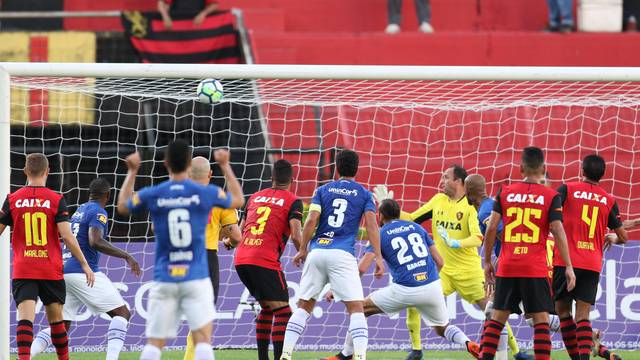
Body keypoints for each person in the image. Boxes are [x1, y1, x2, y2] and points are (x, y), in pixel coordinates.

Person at [116, 140, 244, 360]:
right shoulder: (206, 193)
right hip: (198, 271)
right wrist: (225, 165)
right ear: (188, 166)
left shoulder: (156, 193)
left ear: (165, 164)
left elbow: (123, 206)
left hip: (166, 274)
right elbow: (239, 200)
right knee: (203, 337)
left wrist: (132, 171)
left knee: (155, 344)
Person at [324, 199, 479, 360]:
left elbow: (362, 268)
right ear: (399, 214)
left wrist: (336, 288)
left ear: (380, 216)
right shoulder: (417, 228)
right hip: (432, 286)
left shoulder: (380, 234)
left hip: (404, 289)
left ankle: (345, 355)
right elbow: (440, 262)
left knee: (359, 309)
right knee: (442, 328)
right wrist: (428, 283)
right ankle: (468, 343)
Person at [281, 149, 385, 360]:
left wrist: (303, 249)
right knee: (356, 308)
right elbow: (372, 226)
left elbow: (310, 221)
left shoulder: (323, 190)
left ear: (337, 168)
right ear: (357, 169)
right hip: (342, 254)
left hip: (318, 251)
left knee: (304, 306)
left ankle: (285, 354)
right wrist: (379, 258)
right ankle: (361, 357)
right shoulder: (364, 194)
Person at [374, 165, 484, 358]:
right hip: (444, 271)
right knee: (415, 303)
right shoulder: (438, 200)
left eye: (446, 177)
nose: (441, 181)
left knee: (493, 311)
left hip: (469, 271)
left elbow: (478, 237)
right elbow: (412, 219)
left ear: (458, 181)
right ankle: (417, 349)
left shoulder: (470, 206)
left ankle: (515, 352)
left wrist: (455, 243)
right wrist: (388, 205)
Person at [480, 146, 576, 360]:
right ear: (543, 169)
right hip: (534, 267)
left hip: (507, 265)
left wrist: (487, 261)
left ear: (521, 168)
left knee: (496, 319)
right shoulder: (551, 196)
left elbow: (491, 229)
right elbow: (557, 230)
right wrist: (568, 266)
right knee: (541, 320)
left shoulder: (504, 193)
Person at [30, 178, 141, 360]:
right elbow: (94, 240)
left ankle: (25, 356)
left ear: (90, 194)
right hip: (82, 272)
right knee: (122, 313)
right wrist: (126, 255)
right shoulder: (99, 212)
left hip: (63, 271)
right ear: (108, 195)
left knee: (61, 327)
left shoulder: (79, 211)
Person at [0, 153, 95, 360]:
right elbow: (68, 237)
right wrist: (85, 264)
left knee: (25, 320)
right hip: (49, 268)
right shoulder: (56, 199)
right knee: (56, 322)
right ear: (47, 171)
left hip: (24, 268)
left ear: (25, 171)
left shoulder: (12, 200)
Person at [225, 159, 303, 360]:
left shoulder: (255, 197)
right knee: (284, 312)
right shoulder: (293, 200)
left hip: (241, 259)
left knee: (268, 308)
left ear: (272, 178)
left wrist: (229, 242)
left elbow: (239, 233)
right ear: (292, 180)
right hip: (264, 260)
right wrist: (304, 254)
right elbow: (296, 234)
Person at [553, 155, 627, 360]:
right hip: (591, 263)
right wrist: (612, 236)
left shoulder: (567, 189)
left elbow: (549, 212)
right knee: (583, 316)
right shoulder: (609, 200)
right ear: (602, 175)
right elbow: (623, 237)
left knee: (563, 311)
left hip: (565, 260)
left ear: (582, 170)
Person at [464, 174, 536, 360]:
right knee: (526, 317)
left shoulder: (485, 211)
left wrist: (499, 258)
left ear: (468, 192)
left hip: (512, 264)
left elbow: (501, 233)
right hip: (518, 261)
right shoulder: (491, 205)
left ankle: (586, 334)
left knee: (523, 316)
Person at [183, 156, 242, 360]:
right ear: (210, 174)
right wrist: (228, 242)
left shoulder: (174, 195)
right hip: (205, 258)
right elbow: (236, 236)